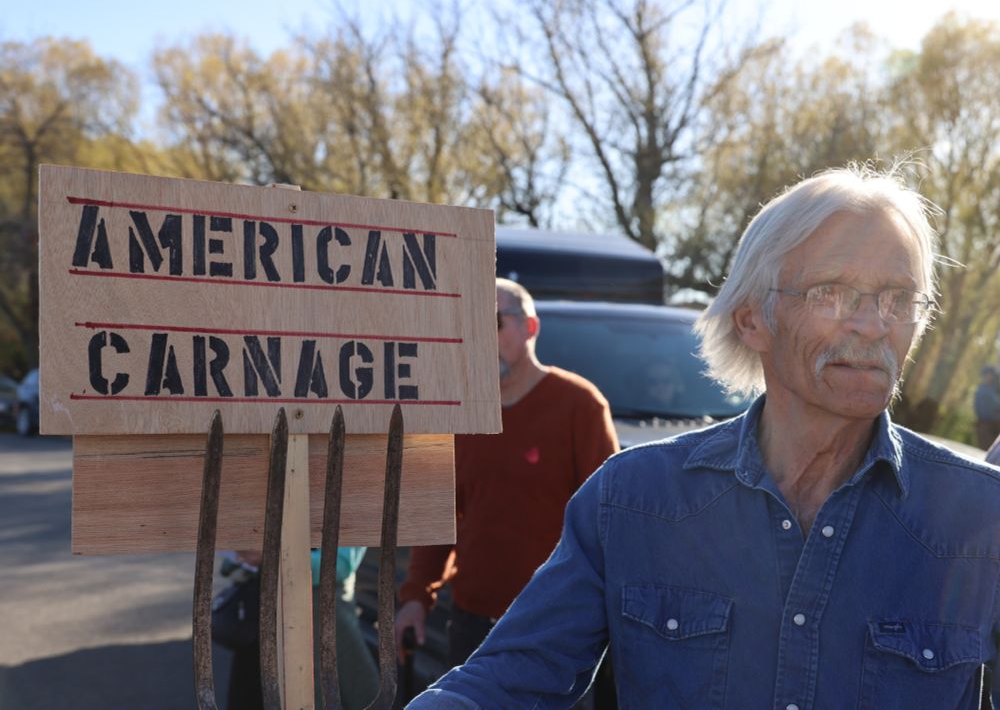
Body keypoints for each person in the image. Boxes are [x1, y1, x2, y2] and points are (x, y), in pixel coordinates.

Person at [405, 165, 1000, 709]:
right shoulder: (634, 500)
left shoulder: (980, 516)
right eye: (832, 293)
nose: (874, 325)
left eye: (899, 299)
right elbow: (511, 678)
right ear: (751, 319)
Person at [394, 278, 619, 671]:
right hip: (471, 624)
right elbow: (440, 514)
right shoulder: (458, 412)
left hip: (557, 627)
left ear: (530, 327)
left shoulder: (580, 406)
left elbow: (612, 521)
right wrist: (416, 598)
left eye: (493, 322)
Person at [223, 547, 378, 709]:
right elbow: (228, 565)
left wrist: (273, 556)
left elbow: (339, 565)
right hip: (265, 622)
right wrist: (242, 555)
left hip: (319, 619)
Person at [974, 365, 1000, 449]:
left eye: (990, 374)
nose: (988, 377)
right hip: (984, 422)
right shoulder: (981, 388)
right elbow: (977, 404)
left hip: (995, 422)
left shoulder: (995, 389)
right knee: (984, 446)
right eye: (986, 374)